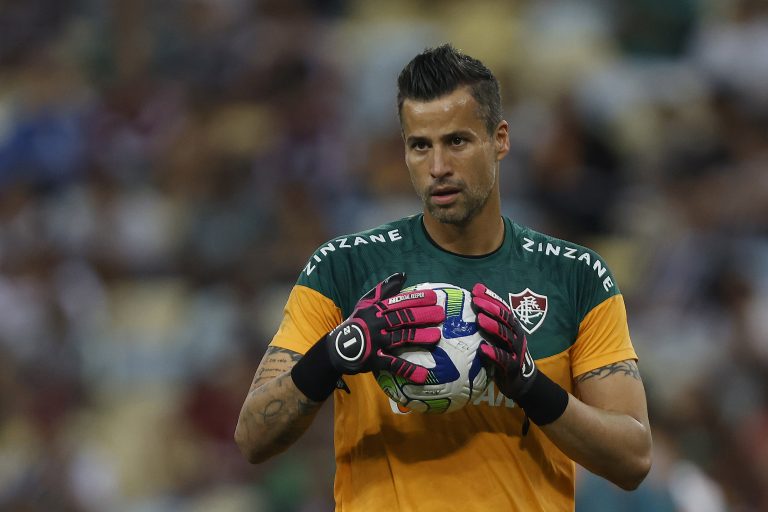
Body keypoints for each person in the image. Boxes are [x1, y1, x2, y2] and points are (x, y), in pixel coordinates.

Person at [235, 44, 652, 511]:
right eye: (420, 146)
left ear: (500, 139)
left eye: (456, 141)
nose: (437, 168)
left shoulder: (575, 275)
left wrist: (531, 386)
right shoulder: (343, 267)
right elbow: (252, 437)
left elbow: (633, 459)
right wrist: (334, 354)